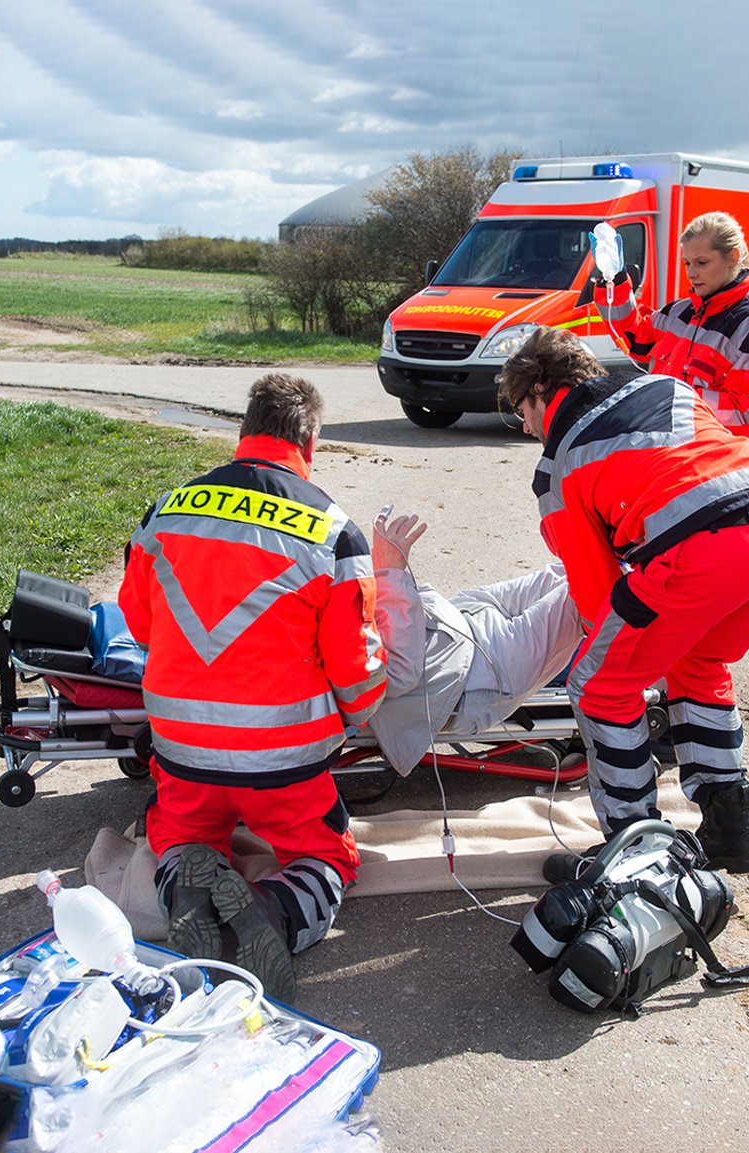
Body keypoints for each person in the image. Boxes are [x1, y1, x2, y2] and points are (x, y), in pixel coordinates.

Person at [497, 327, 749, 878]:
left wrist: (613, 655)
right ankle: (732, 830)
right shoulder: (664, 386)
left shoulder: (560, 464)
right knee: (699, 664)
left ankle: (633, 850)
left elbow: (597, 593)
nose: (524, 424)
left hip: (703, 551)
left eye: (521, 407)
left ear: (543, 391)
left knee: (599, 685)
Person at [117, 373, 386, 1000]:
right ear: (309, 442)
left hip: (182, 751)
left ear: (243, 433)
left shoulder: (167, 509)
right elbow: (356, 667)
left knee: (181, 835)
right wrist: (353, 718)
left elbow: (137, 622)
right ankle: (275, 913)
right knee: (326, 855)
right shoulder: (333, 531)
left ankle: (189, 888)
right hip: (284, 762)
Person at [365, 510, 583, 773]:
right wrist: (390, 573)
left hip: (458, 619)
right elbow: (399, 673)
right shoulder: (322, 655)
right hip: (474, 676)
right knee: (585, 586)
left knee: (573, 566)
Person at [593, 211, 749, 438]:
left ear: (733, 257)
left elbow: (748, 412)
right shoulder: (680, 312)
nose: (691, 273)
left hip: (713, 461)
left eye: (702, 263)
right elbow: (634, 336)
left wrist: (674, 401)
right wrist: (614, 280)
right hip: (664, 449)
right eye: (686, 263)